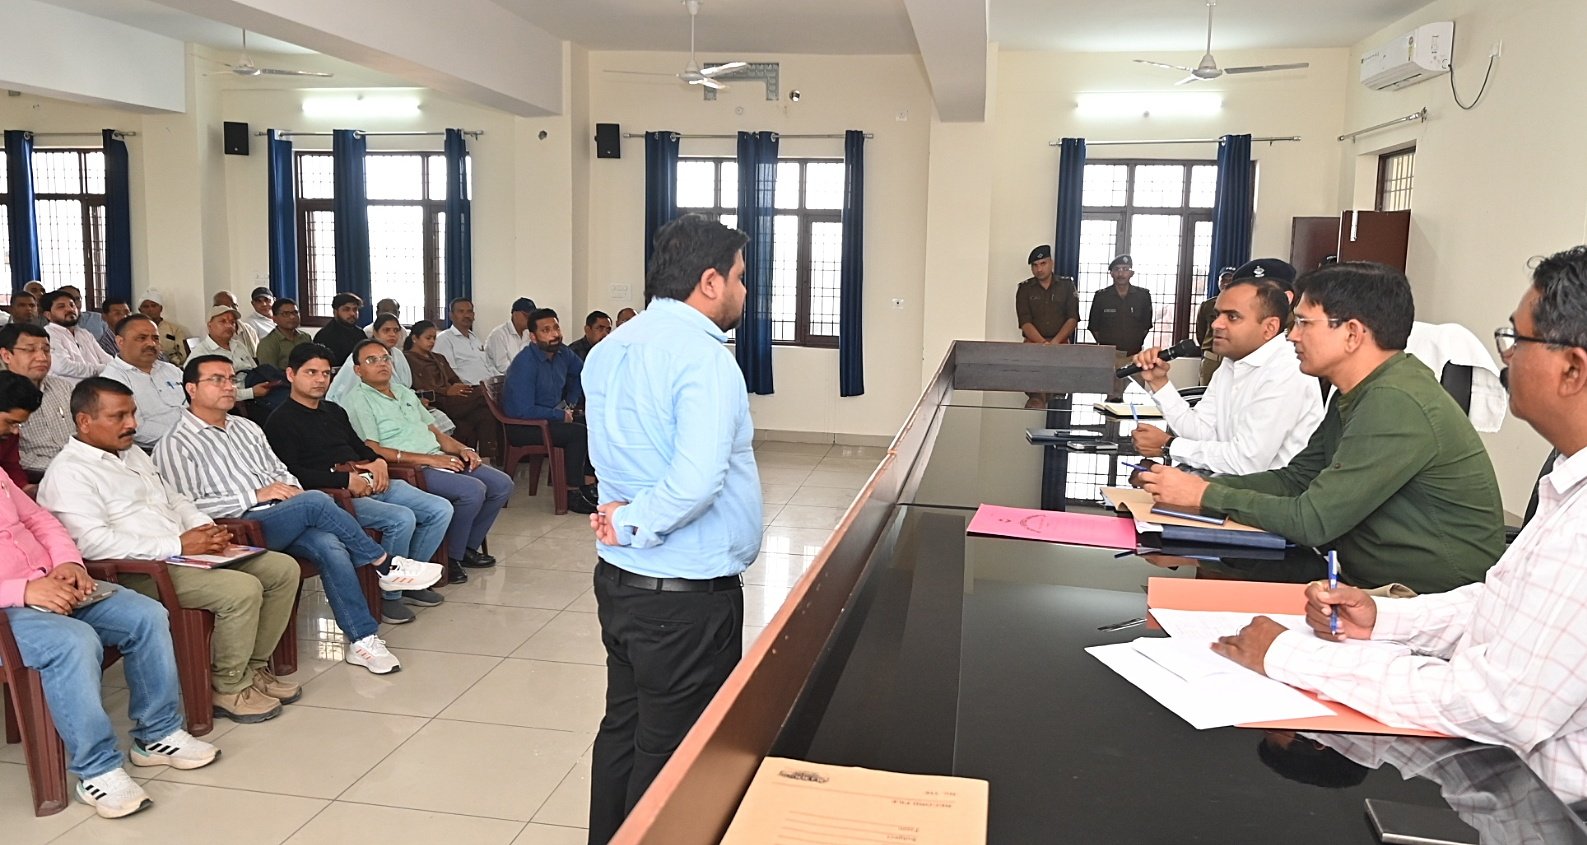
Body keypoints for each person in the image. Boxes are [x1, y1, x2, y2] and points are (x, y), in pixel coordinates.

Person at [1209, 245, 1587, 806]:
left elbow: (1499, 706)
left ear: (1573, 368)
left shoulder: (1580, 523)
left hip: (1544, 805)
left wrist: (1290, 656)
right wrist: (1382, 618)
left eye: (1515, 339)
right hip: (1494, 766)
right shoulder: (1568, 485)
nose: (1505, 357)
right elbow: (1496, 605)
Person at [1139, 262, 1506, 594]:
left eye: (1304, 323)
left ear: (1352, 333)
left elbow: (1312, 520)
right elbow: (1296, 479)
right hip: (1353, 569)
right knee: (1201, 560)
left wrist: (1204, 494)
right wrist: (1194, 488)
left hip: (1423, 597)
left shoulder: (1395, 400)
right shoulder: (1358, 390)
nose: (1292, 336)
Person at [584, 214, 763, 843]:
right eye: (741, 277)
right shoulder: (703, 359)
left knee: (624, 729)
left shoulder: (610, 348)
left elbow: (614, 457)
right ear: (710, 281)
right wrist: (634, 521)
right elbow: (695, 483)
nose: (745, 290)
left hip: (623, 582)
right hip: (684, 599)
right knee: (675, 754)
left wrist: (622, 522)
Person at [0, 374, 221, 819]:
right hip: (11, 607)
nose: (14, 433)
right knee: (74, 641)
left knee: (145, 614)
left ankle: (157, 733)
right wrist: (23, 589)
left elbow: (41, 521)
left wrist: (68, 564)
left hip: (54, 583)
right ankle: (97, 769)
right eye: (8, 423)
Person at [154, 355, 441, 674]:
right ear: (191, 388)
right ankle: (384, 564)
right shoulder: (176, 444)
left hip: (283, 515)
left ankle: (363, 640)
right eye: (217, 380)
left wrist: (289, 490)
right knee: (314, 500)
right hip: (239, 527)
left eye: (231, 379)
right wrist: (256, 495)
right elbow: (188, 508)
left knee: (330, 546)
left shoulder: (246, 428)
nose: (229, 386)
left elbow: (281, 471)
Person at [38, 378, 300, 724]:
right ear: (85, 421)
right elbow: (92, 544)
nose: (132, 424)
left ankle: (252, 670)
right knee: (242, 589)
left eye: (133, 413)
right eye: (119, 416)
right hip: (138, 571)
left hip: (184, 553)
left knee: (282, 570)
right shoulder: (69, 473)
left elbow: (174, 498)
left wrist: (203, 528)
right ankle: (228, 686)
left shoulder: (131, 453)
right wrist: (178, 545)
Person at [267, 343, 453, 625]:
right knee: (401, 518)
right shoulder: (280, 421)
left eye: (325, 373)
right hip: (333, 495)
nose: (320, 380)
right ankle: (390, 597)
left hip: (367, 480)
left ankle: (406, 583)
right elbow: (292, 474)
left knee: (440, 509)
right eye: (311, 373)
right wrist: (344, 480)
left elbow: (359, 446)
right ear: (291, 374)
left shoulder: (333, 410)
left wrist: (377, 462)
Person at [340, 338, 513, 585]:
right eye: (372, 360)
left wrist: (463, 449)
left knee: (502, 484)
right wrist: (432, 459)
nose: (382, 364)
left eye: (385, 358)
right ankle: (450, 558)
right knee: (472, 490)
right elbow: (373, 449)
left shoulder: (403, 392)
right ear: (358, 370)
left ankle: (466, 547)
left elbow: (436, 433)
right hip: (410, 467)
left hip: (438, 457)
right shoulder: (358, 400)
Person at [1128, 273, 1325, 476]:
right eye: (1217, 315)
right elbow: (1201, 432)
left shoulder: (1287, 369)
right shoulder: (1232, 362)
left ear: (1269, 328)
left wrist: (1169, 445)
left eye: (1232, 317)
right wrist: (1159, 383)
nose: (1216, 324)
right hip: (1229, 482)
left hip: (1271, 491)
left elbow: (1247, 462)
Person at [504, 307, 596, 514]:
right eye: (546, 330)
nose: (554, 334)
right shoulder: (525, 364)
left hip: (550, 417)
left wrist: (570, 402)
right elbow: (523, 410)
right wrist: (560, 414)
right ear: (533, 337)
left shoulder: (562, 352)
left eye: (556, 328)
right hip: (524, 426)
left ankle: (588, 485)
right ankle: (571, 493)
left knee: (594, 425)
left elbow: (582, 372)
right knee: (577, 434)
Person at [405, 317, 496, 456]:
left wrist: (461, 388)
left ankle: (484, 459)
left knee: (484, 413)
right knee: (484, 394)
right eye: (428, 338)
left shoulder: (438, 357)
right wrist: (447, 390)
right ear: (414, 338)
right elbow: (420, 386)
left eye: (434, 338)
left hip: (454, 399)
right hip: (437, 400)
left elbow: (453, 378)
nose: (432, 342)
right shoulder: (408, 359)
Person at [99, 314, 187, 449]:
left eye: (155, 338)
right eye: (142, 338)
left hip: (197, 437)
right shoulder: (111, 380)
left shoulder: (171, 370)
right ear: (120, 342)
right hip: (157, 449)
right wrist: (185, 436)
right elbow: (136, 429)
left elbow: (197, 404)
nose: (151, 344)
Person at [1, 322, 75, 474]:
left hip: (79, 465)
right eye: (30, 350)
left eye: (46, 350)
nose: (42, 358)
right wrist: (62, 468)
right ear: (6, 355)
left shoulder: (64, 387)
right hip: (35, 474)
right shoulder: (3, 396)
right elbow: (13, 457)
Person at [1015, 244, 1080, 409]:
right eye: (1035, 265)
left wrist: (1055, 342)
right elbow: (1025, 322)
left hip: (1061, 344)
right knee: (1032, 386)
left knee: (1060, 387)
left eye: (1043, 263)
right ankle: (1037, 399)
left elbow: (1072, 318)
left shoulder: (1066, 285)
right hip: (1033, 345)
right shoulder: (1024, 288)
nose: (1039, 269)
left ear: (1052, 263)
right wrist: (1043, 343)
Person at [192, 303, 282, 414]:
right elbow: (211, 392)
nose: (229, 326)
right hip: (236, 405)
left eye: (232, 322)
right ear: (209, 326)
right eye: (223, 321)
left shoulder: (238, 345)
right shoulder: (201, 355)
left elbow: (256, 370)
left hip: (260, 392)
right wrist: (251, 392)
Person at [1088, 254, 1154, 360]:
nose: (1121, 273)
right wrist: (1107, 345)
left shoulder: (1143, 296)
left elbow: (1146, 326)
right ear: (1111, 273)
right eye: (1117, 269)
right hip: (1108, 355)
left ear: (1131, 273)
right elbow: (1094, 327)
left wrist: (1134, 342)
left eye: (1125, 269)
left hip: (1134, 354)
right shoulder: (1101, 297)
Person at [40, 289, 112, 385]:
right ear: (48, 315)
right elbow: (63, 366)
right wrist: (103, 368)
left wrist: (115, 367)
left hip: (97, 387)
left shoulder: (84, 333)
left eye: (72, 305)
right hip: (67, 391)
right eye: (61, 306)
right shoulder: (47, 334)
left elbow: (107, 359)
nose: (70, 309)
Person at [433, 297, 492, 383]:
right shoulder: (444, 339)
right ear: (451, 316)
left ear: (474, 315)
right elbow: (449, 373)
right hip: (469, 388)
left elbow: (488, 365)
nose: (466, 315)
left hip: (489, 385)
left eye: (469, 311)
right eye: (461, 311)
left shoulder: (475, 338)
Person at [1195, 266, 1238, 384]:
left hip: (1233, 359)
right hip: (1211, 359)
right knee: (1205, 391)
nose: (1226, 283)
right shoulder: (1207, 305)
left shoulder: (1242, 306)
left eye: (1230, 280)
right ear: (1218, 281)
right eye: (1223, 279)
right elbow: (1200, 332)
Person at [254, 297, 312, 371]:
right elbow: (269, 373)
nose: (292, 317)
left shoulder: (305, 337)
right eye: (286, 314)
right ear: (274, 319)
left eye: (295, 312)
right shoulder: (267, 344)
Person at [484, 297, 537, 376]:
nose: (529, 319)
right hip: (502, 380)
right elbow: (502, 367)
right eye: (526, 315)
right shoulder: (499, 335)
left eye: (532, 317)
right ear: (514, 314)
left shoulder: (529, 335)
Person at [136, 290, 191, 366]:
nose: (150, 309)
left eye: (154, 306)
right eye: (146, 307)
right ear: (140, 310)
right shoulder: (134, 330)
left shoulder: (174, 330)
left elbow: (183, 357)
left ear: (161, 308)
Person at [314, 293, 368, 365]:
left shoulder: (360, 333)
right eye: (346, 309)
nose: (352, 313)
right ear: (335, 312)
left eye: (355, 309)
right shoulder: (324, 336)